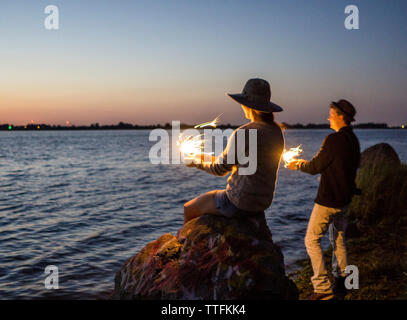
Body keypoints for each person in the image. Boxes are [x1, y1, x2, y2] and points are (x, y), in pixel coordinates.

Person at [183, 78, 285, 225]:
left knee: (189, 208)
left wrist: (196, 163)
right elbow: (236, 162)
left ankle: (187, 247)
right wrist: (202, 156)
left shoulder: (244, 132)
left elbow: (220, 170)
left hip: (238, 202)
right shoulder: (276, 132)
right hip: (262, 203)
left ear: (249, 107)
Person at [287, 99, 360, 300]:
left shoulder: (333, 140)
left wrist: (297, 164)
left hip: (328, 201)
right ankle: (342, 283)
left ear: (340, 116)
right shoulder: (353, 140)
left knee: (311, 240)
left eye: (331, 113)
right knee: (339, 241)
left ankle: (322, 288)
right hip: (344, 201)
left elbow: (314, 167)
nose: (328, 117)